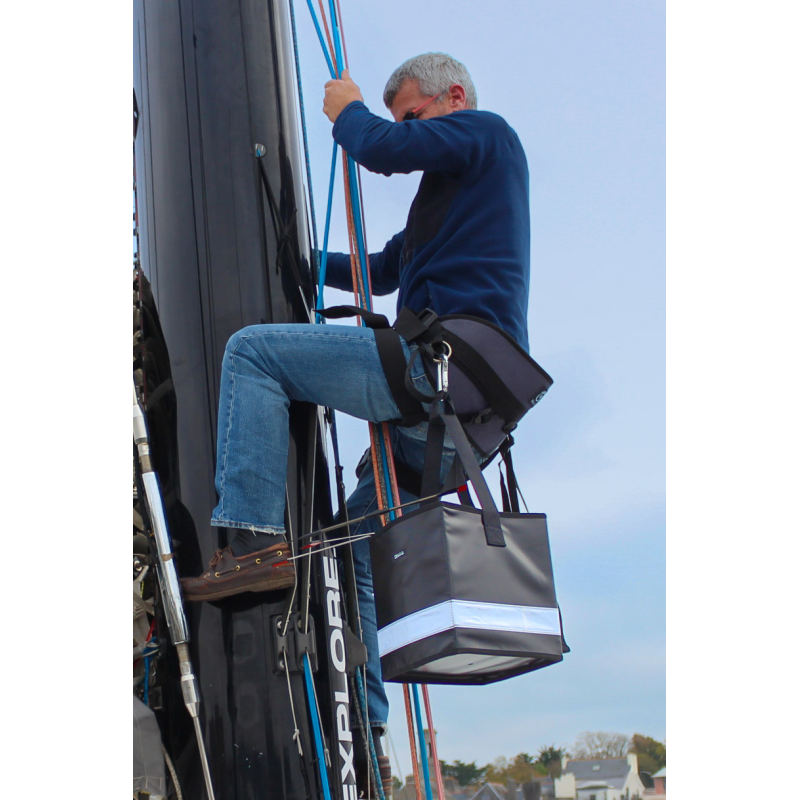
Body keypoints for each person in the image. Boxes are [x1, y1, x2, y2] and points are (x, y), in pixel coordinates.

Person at [180, 51, 531, 770]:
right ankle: (367, 736)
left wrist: (350, 110)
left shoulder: (488, 134)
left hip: (443, 372)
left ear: (453, 97)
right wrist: (295, 260)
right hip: (460, 421)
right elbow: (384, 270)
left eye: (414, 115)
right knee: (353, 557)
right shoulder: (450, 200)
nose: (408, 130)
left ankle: (252, 546)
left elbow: (382, 148)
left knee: (254, 353)